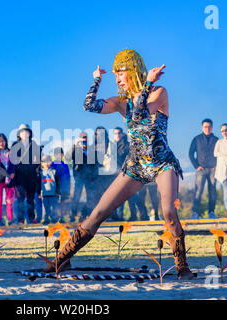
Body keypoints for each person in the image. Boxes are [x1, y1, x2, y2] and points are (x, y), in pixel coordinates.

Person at [42, 50, 194, 279]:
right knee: (98, 213)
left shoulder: (159, 92)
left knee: (169, 211)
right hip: (135, 165)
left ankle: (182, 266)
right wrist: (96, 79)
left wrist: (149, 82)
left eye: (119, 73)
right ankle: (61, 260)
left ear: (133, 71)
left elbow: (140, 115)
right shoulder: (121, 101)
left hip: (162, 163)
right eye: (114, 75)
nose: (117, 79)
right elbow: (88, 105)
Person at [10, 124, 41, 224]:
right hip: (20, 176)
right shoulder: (15, 145)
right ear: (19, 134)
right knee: (20, 198)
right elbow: (12, 159)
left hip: (31, 175)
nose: (25, 133)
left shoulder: (34, 144)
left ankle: (31, 218)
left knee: (31, 199)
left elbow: (38, 160)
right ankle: (20, 219)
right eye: (23, 132)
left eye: (27, 131)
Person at [189, 119, 218, 219]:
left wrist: (217, 165)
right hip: (201, 169)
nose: (207, 128)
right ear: (202, 128)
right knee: (198, 191)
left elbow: (220, 154)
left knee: (212, 192)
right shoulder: (197, 139)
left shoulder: (216, 139)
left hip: (213, 170)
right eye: (205, 127)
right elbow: (190, 153)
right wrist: (196, 166)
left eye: (209, 127)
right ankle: (195, 213)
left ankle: (211, 213)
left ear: (212, 127)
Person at [110, 127, 139, 221]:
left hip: (127, 173)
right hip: (116, 174)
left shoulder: (127, 145)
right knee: (119, 196)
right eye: (115, 133)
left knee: (131, 196)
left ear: (122, 134)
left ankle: (133, 216)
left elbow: (130, 158)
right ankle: (119, 216)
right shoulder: (112, 146)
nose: (117, 135)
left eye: (118, 133)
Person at [68, 132, 97, 222]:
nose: (84, 141)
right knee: (76, 196)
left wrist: (93, 178)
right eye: (82, 139)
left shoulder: (91, 151)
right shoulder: (76, 150)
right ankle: (73, 215)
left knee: (90, 196)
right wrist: (75, 145)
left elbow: (94, 166)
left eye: (85, 139)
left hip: (89, 177)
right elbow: (69, 157)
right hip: (79, 177)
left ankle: (88, 215)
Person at [51, 147, 71, 221]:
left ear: (62, 155)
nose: (59, 155)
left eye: (60, 154)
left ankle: (63, 217)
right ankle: (54, 217)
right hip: (55, 188)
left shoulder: (65, 165)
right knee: (55, 203)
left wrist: (68, 188)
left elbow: (68, 177)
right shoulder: (52, 165)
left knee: (63, 203)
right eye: (57, 154)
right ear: (55, 155)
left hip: (64, 187)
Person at [40, 154, 59, 224]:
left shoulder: (54, 171)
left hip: (53, 193)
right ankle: (46, 219)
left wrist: (57, 191)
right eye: (45, 161)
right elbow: (39, 183)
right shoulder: (40, 172)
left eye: (48, 161)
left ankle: (54, 218)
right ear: (41, 163)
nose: (47, 163)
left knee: (54, 207)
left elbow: (57, 182)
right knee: (45, 208)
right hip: (44, 193)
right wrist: (39, 192)